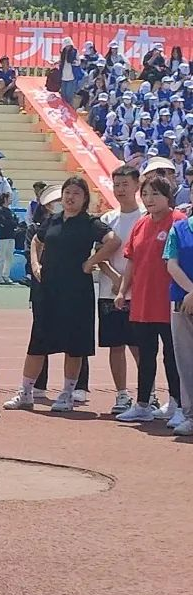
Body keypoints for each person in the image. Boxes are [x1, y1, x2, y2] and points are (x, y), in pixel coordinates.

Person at [5, 177, 119, 412]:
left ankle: (67, 393)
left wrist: (91, 262)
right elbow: (37, 240)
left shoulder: (90, 223)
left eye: (76, 193)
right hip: (48, 290)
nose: (70, 197)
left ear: (84, 198)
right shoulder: (53, 220)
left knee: (74, 344)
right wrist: (35, 264)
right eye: (67, 192)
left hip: (76, 291)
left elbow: (113, 241)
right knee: (38, 342)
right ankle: (26, 392)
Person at [115, 176, 186, 428]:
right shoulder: (141, 223)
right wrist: (122, 291)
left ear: (168, 197)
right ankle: (143, 404)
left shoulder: (178, 221)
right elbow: (131, 261)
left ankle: (179, 404)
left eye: (155, 194)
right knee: (145, 355)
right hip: (142, 301)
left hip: (169, 301)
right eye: (145, 194)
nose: (149, 199)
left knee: (172, 356)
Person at [96, 165, 144, 414]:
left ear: (137, 185)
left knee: (139, 346)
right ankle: (122, 395)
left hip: (139, 293)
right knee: (116, 345)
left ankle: (147, 394)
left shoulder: (146, 217)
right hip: (109, 291)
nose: (120, 189)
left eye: (125, 184)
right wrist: (115, 278)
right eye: (116, 185)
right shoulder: (107, 219)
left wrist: (129, 282)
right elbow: (99, 255)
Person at [164, 194, 193, 435]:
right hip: (182, 304)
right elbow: (171, 264)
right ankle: (190, 415)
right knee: (186, 361)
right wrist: (191, 291)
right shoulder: (179, 228)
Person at [0, 193, 18, 285]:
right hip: (3, 237)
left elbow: (15, 222)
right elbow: (3, 222)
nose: (11, 199)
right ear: (4, 199)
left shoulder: (10, 211)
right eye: (9, 198)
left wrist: (13, 223)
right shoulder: (0, 211)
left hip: (11, 236)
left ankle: (5, 275)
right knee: (1, 257)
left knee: (9, 257)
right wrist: (12, 223)